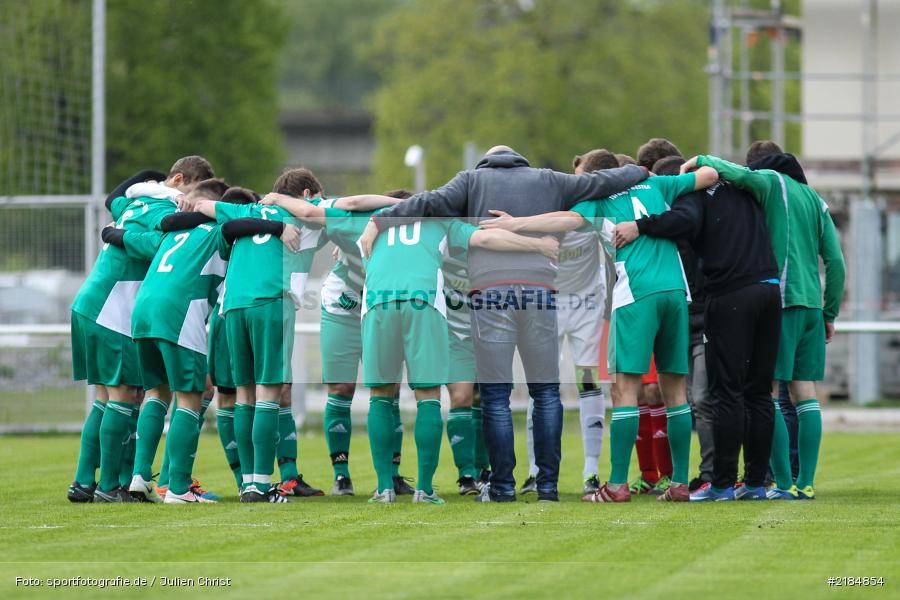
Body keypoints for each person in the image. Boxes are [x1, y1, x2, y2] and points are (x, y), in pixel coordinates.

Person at [358, 145, 649, 502]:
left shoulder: (470, 181)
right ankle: (547, 488)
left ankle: (503, 487)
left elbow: (427, 202)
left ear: (485, 164)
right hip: (540, 291)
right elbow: (605, 181)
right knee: (545, 393)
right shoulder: (549, 179)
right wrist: (643, 172)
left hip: (490, 292)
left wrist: (378, 220)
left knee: (496, 396)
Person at [482, 151, 719, 503]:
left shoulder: (598, 200)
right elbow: (710, 175)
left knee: (625, 391)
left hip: (637, 293)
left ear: (595, 179)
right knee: (675, 393)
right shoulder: (656, 183)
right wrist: (689, 165)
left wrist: (515, 223)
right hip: (675, 292)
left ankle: (618, 485)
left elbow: (564, 220)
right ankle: (680, 483)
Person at [102, 179, 288, 503]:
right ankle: (178, 488)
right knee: (191, 397)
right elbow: (240, 232)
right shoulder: (221, 231)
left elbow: (129, 230)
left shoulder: (172, 231)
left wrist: (110, 232)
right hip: (179, 312)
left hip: (142, 310)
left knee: (156, 393)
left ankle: (140, 477)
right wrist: (278, 226)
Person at [613, 152, 782, 501]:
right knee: (760, 392)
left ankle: (720, 484)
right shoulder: (749, 190)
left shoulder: (693, 196)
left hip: (731, 294)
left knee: (727, 392)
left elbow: (683, 223)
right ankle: (755, 483)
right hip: (769, 289)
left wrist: (639, 226)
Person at [360, 214, 561, 504]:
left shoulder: (371, 221)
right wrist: (538, 245)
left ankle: (383, 490)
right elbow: (487, 237)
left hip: (377, 304)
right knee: (428, 395)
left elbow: (332, 209)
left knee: (380, 396)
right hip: (423, 301)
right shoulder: (439, 221)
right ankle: (425, 490)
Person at [684, 142, 846, 499]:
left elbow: (736, 174)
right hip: (812, 307)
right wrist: (829, 311)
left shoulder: (771, 182)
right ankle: (807, 484)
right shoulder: (814, 199)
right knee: (805, 394)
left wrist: (699, 161)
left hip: (781, 299)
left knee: (766, 392)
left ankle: (782, 483)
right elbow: (836, 262)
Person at [67, 156, 214, 503]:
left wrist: (145, 184)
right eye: (190, 193)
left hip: (95, 302)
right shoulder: (160, 206)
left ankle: (86, 481)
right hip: (111, 308)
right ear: (178, 181)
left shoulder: (136, 200)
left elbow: (112, 199)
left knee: (108, 398)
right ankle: (107, 486)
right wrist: (213, 210)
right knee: (122, 396)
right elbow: (171, 226)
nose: (190, 203)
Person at [254, 189, 413, 496]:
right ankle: (341, 475)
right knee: (341, 388)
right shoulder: (356, 218)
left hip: (382, 307)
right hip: (344, 306)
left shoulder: (415, 233)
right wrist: (275, 198)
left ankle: (392, 474)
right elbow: (335, 207)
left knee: (388, 388)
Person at [196, 168, 329, 503]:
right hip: (271, 301)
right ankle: (259, 484)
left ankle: (248, 483)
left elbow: (204, 207)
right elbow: (344, 210)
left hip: (233, 306)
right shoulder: (306, 215)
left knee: (244, 395)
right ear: (309, 194)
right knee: (270, 392)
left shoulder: (247, 211)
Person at [523, 149, 610, 495]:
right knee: (541, 384)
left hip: (589, 303)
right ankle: (534, 470)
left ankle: (590, 472)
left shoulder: (598, 209)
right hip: (550, 303)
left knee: (588, 380)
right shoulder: (547, 206)